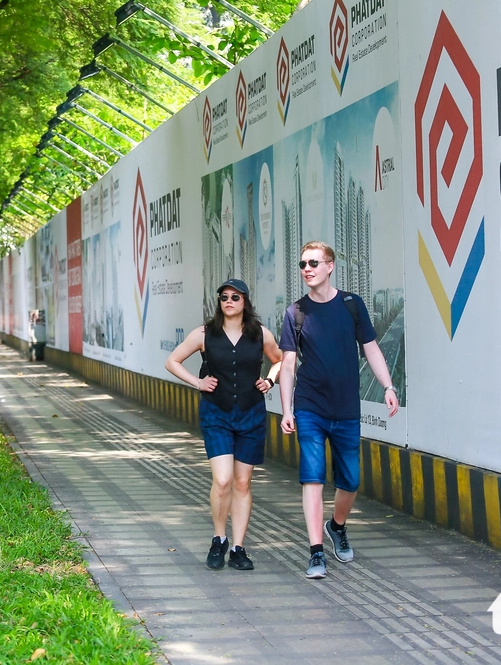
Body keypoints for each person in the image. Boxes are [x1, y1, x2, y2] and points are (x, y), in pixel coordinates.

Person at [278, 241, 399, 579]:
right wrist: (287, 409)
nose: (307, 269)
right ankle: (316, 552)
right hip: (310, 408)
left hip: (345, 408)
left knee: (351, 480)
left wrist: (388, 386)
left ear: (330, 266)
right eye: (302, 264)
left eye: (314, 262)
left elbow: (371, 349)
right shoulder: (295, 312)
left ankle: (337, 525)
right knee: (312, 478)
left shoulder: (351, 305)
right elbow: (287, 366)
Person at [166, 279, 282, 571]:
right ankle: (219, 538)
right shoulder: (205, 334)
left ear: (245, 302)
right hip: (216, 413)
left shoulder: (260, 335)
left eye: (235, 297)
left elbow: (281, 361)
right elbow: (173, 361)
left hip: (251, 413)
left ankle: (239, 548)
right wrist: (198, 382)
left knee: (243, 483)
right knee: (223, 480)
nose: (228, 301)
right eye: (223, 297)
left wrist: (269, 380)